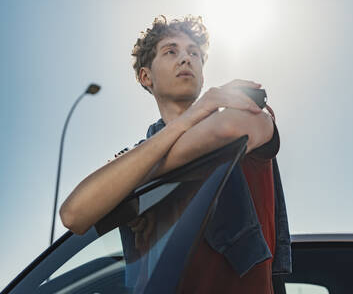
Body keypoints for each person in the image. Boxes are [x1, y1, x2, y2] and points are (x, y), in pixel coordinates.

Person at [60, 15, 291, 293]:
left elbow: (229, 129)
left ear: (203, 75)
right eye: (171, 51)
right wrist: (191, 117)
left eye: (194, 53)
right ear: (146, 77)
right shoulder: (137, 155)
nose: (186, 59)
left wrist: (135, 178)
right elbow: (73, 213)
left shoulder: (247, 112)